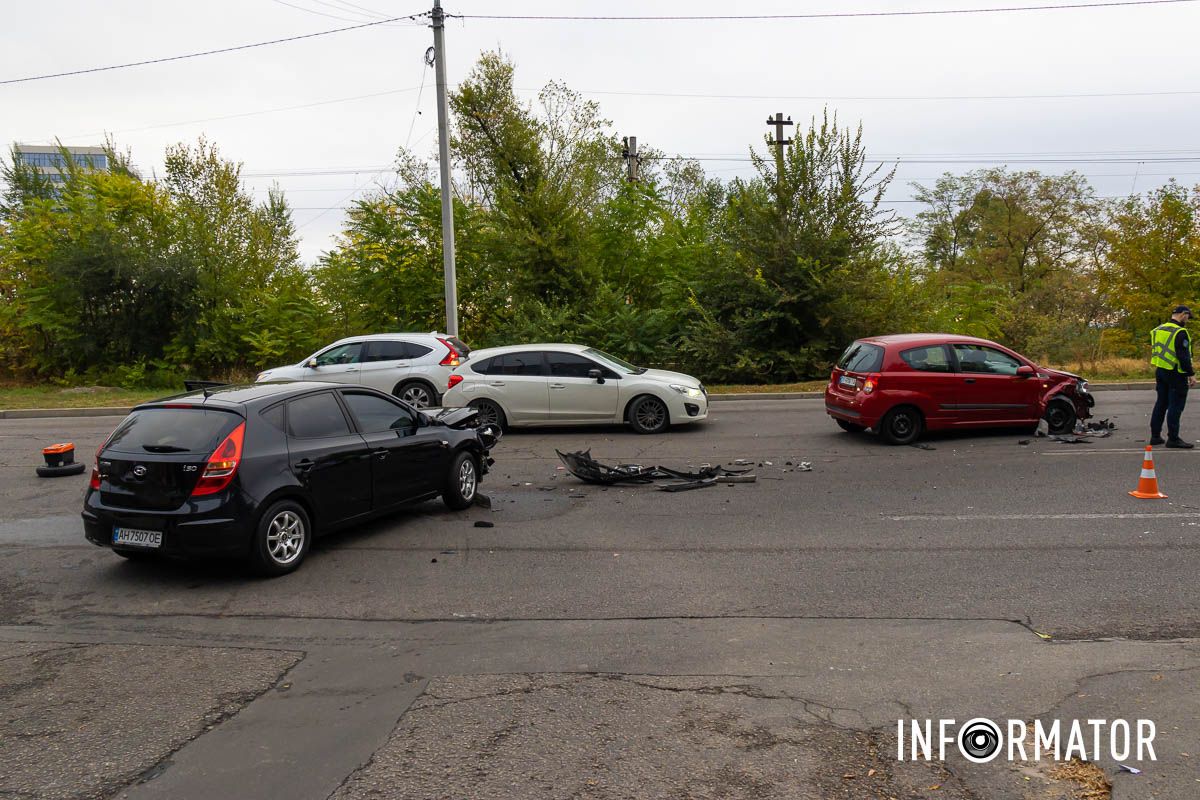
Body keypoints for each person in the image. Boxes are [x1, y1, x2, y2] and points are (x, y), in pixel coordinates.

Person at [1149, 304, 1197, 448]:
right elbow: (1183, 356)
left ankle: (1155, 436)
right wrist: (1191, 374)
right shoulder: (1180, 332)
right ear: (1183, 314)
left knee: (1161, 403)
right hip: (1176, 372)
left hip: (1161, 370)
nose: (1187, 320)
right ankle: (1173, 439)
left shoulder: (1158, 330)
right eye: (1188, 317)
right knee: (1175, 406)